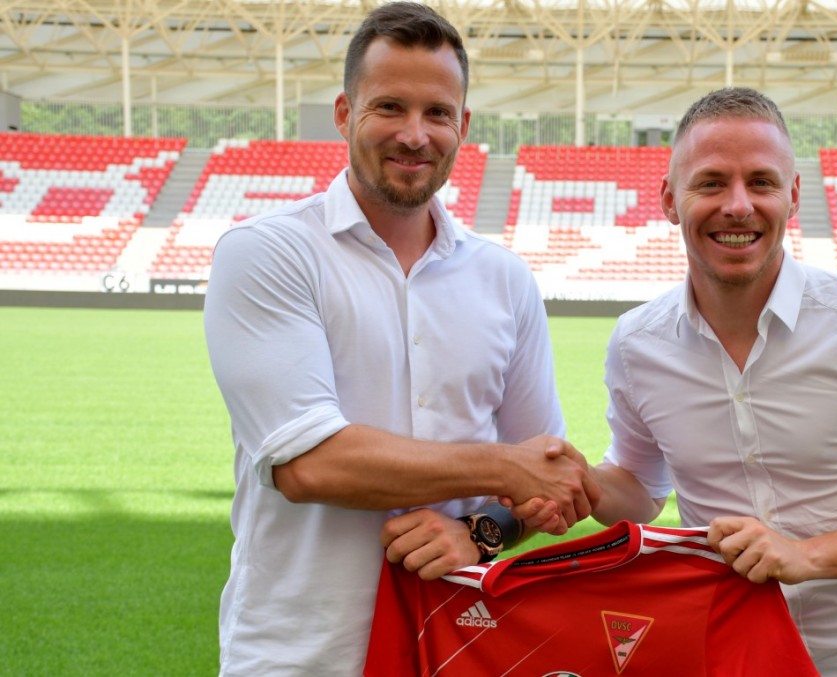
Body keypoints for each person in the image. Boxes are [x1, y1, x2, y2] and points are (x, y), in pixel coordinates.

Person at [202, 3, 597, 674]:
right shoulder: (269, 252)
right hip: (303, 655)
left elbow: (542, 491)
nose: (415, 135)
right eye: (389, 107)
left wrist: (478, 532)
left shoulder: (505, 279)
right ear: (344, 112)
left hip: (460, 648)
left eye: (437, 113)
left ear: (463, 126)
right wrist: (503, 467)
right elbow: (310, 465)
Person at [571, 87, 837, 675]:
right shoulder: (638, 343)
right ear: (669, 199)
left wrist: (803, 556)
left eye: (761, 182)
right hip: (724, 657)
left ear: (793, 196)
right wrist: (577, 481)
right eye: (711, 183)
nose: (738, 206)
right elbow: (640, 489)